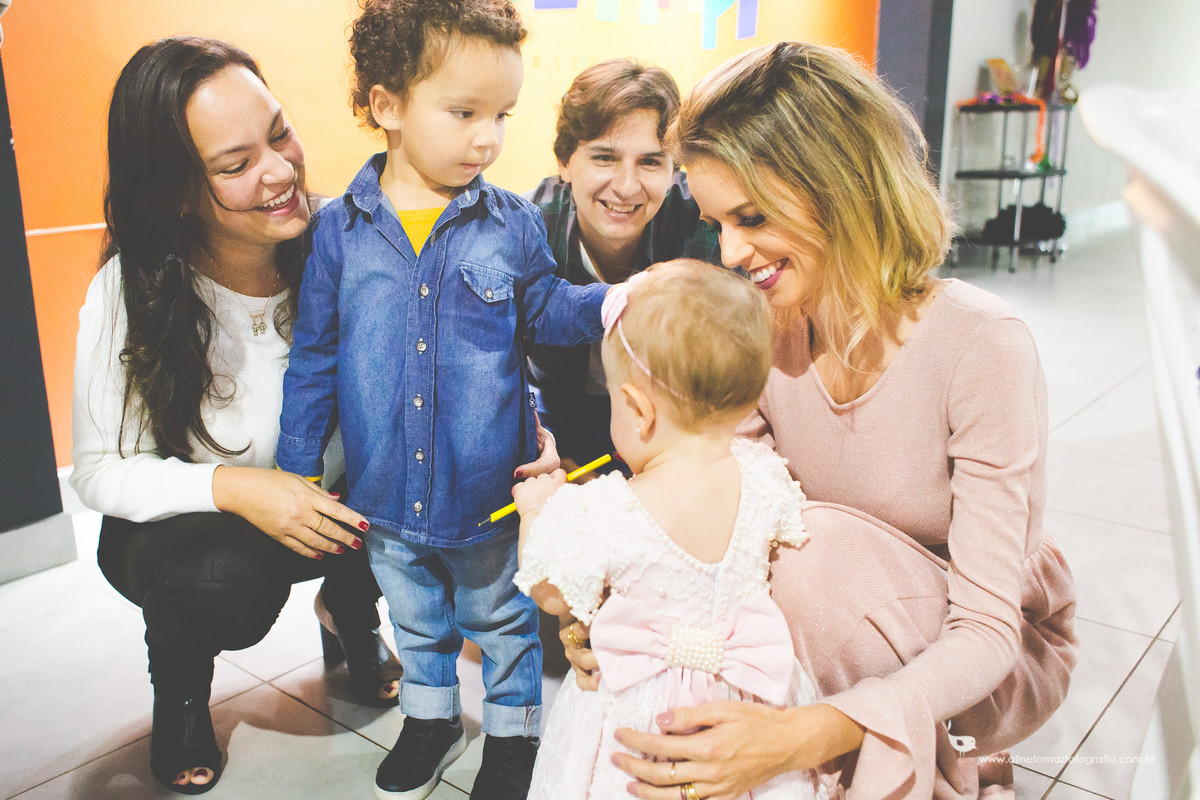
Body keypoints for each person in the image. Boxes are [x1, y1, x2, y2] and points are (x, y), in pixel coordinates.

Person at [566, 42, 1079, 800]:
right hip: (825, 626)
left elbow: (988, 632)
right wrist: (617, 611)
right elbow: (709, 510)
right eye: (715, 224)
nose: (732, 252)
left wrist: (805, 734)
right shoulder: (764, 329)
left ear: (841, 187)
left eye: (752, 216)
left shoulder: (981, 345)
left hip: (987, 657)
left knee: (811, 554)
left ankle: (906, 757)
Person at [274, 2, 608, 799]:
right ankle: (428, 720)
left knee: (501, 621)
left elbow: (549, 310)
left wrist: (615, 302)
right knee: (417, 620)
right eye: (464, 113)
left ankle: (514, 734)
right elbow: (315, 356)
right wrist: (297, 468)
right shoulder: (338, 233)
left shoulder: (512, 224)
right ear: (387, 105)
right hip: (384, 491)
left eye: (501, 115)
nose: (488, 138)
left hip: (488, 493)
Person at [70, 37, 401, 795]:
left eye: (279, 132)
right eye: (235, 165)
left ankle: (351, 615)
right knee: (221, 583)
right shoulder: (133, 290)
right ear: (180, 190)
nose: (281, 172)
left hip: (339, 510)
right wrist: (240, 490)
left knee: (434, 496)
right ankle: (182, 692)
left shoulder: (348, 242)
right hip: (197, 534)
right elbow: (98, 472)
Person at [511, 261, 827, 800]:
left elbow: (549, 590)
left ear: (636, 409)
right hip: (746, 701)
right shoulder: (764, 475)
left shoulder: (603, 509)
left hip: (633, 711)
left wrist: (537, 510)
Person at [526, 59, 719, 474]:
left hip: (675, 434)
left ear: (674, 170)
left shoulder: (707, 228)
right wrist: (539, 446)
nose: (627, 186)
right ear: (565, 161)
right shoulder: (523, 230)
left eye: (651, 162)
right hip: (554, 432)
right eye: (605, 158)